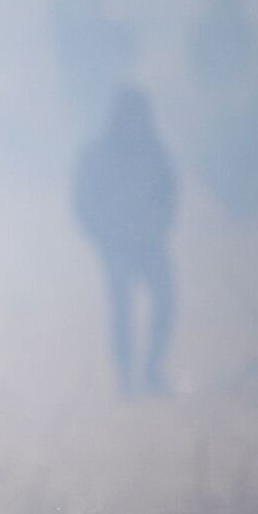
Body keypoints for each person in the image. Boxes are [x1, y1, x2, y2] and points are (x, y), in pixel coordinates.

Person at [72, 86, 178, 397]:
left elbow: (169, 192)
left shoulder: (154, 149)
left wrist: (158, 227)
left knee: (166, 302)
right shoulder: (97, 154)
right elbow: (83, 201)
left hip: (150, 241)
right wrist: (103, 234)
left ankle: (152, 371)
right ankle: (126, 379)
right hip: (115, 244)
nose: (136, 124)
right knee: (122, 309)